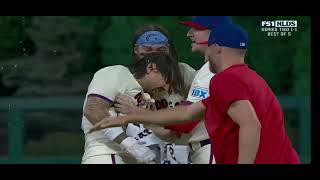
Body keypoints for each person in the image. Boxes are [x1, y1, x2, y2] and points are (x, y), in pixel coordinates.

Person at [89, 23, 301, 164]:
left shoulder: (219, 78)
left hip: (228, 154)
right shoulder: (245, 78)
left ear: (217, 48)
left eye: (207, 46)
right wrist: (135, 116)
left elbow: (250, 124)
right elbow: (188, 114)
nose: (202, 50)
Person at [115, 24, 197, 164]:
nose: (153, 55)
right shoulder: (123, 77)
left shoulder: (183, 72)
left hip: (178, 148)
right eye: (147, 49)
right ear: (136, 49)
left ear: (169, 50)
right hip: (136, 150)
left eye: (160, 50)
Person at [81, 53, 175, 164]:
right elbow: (92, 109)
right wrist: (130, 144)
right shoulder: (117, 73)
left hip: (131, 157)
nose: (166, 86)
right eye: (167, 79)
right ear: (151, 68)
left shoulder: (144, 95)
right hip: (107, 153)